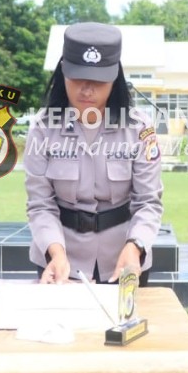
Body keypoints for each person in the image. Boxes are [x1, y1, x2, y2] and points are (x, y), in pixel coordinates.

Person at [24, 22, 163, 286]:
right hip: (60, 261)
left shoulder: (138, 128)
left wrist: (135, 246)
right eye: (77, 78)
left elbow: (148, 202)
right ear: (63, 72)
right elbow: (40, 204)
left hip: (124, 259)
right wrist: (56, 252)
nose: (86, 89)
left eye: (98, 81)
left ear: (114, 78)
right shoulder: (42, 129)